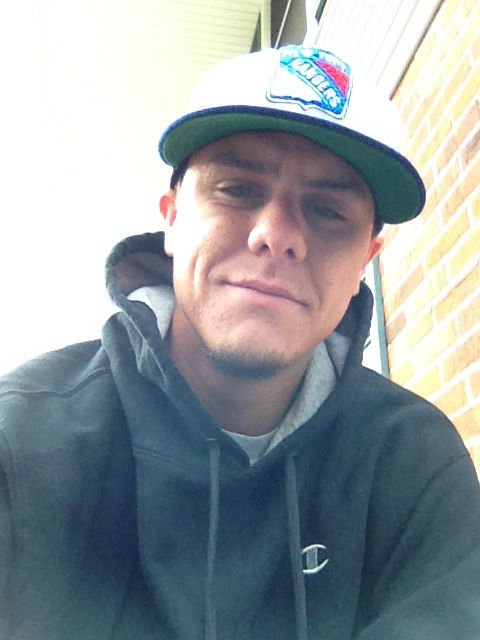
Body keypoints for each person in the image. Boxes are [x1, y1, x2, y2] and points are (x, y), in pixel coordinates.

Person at [1, 45, 479, 640]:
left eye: (328, 210)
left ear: (366, 261)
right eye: (237, 189)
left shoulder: (414, 462)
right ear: (172, 219)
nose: (276, 235)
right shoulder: (20, 438)